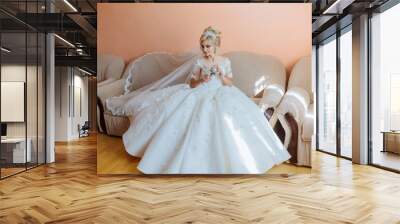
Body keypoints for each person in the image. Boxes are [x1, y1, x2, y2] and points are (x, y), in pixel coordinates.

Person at [107, 26, 291, 174]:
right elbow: (192, 84)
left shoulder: (224, 62)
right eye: (202, 46)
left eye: (208, 46)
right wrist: (201, 79)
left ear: (216, 45)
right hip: (199, 91)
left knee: (228, 115)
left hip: (221, 92)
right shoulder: (199, 62)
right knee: (180, 110)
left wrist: (220, 74)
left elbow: (229, 83)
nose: (204, 49)